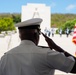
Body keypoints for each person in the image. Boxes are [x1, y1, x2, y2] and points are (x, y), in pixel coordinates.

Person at [0, 18, 76, 75]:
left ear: (20, 36)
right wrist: (56, 47)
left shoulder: (5, 58)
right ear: (36, 34)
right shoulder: (46, 54)